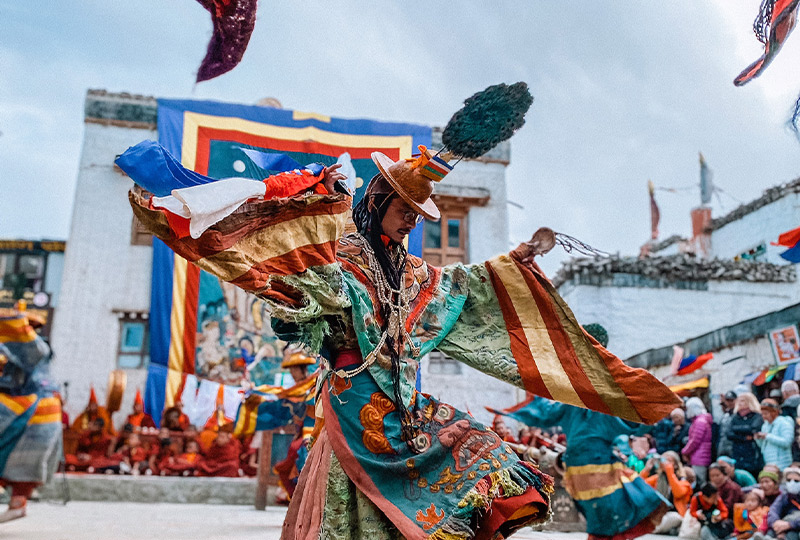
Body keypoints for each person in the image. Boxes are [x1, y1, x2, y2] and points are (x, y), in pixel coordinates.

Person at [121, 99, 681, 539]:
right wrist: (311, 306)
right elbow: (304, 311)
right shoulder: (340, 259)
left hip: (407, 406)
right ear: (375, 203)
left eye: (417, 216)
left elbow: (462, 289)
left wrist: (517, 262)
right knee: (354, 507)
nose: (410, 224)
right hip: (354, 406)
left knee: (481, 460)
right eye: (403, 212)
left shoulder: (413, 274)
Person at [494, 396, 670, 540]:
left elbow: (633, 424)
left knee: (607, 521)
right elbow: (545, 414)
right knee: (605, 520)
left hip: (595, 476)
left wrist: (647, 406)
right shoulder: (576, 407)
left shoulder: (597, 410)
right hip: (588, 477)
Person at [0, 308, 62, 523]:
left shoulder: (36, 348)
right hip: (27, 409)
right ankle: (18, 503)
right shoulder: (11, 352)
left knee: (19, 459)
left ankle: (18, 503)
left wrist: (11, 320)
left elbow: (22, 341)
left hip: (34, 412)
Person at [640, 451, 692, 534]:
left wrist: (669, 472)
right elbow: (639, 486)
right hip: (657, 513)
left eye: (669, 460)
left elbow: (678, 493)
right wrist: (646, 470)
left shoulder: (683, 481)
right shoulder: (658, 478)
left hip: (674, 514)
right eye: (663, 460)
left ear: (675, 465)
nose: (665, 462)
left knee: (670, 518)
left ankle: (650, 529)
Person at [730, 393, 765, 477]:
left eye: (743, 400)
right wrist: (744, 437)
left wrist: (737, 429)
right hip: (738, 451)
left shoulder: (757, 416)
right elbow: (729, 433)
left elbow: (753, 429)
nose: (740, 403)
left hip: (752, 452)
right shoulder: (735, 417)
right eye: (739, 400)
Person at [756, 399, 794, 470]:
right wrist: (758, 439)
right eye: (762, 414)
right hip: (769, 462)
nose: (764, 416)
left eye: (766, 414)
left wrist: (767, 436)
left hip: (783, 463)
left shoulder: (784, 423)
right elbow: (763, 446)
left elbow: (787, 442)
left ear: (774, 412)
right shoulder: (765, 425)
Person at [683, 397, 714, 484]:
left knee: (699, 481)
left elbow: (695, 441)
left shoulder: (700, 422)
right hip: (701, 456)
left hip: (699, 457)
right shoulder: (701, 420)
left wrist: (684, 451)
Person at [764, 466, 800, 539]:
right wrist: (776, 523)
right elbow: (773, 510)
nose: (792, 483)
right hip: (782, 527)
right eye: (789, 480)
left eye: (796, 481)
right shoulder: (785, 496)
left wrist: (790, 525)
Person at [708, 462, 743, 528]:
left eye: (717, 475)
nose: (715, 478)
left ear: (724, 474)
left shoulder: (731, 488)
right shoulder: (712, 487)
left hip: (732, 519)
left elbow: (728, 507)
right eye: (712, 476)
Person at [719, 391, 738, 459]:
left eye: (731, 400)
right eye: (727, 400)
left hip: (734, 446)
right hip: (723, 446)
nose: (729, 403)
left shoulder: (738, 414)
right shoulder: (725, 415)